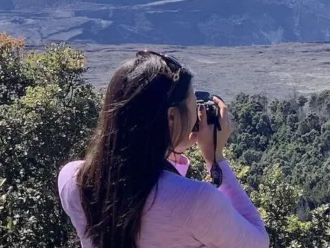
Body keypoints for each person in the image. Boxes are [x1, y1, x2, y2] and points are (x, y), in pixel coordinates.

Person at [57, 50, 269, 248]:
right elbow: (258, 241)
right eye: (193, 102)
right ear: (172, 116)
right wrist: (215, 160)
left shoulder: (72, 180)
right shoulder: (197, 201)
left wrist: (168, 148)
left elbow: (154, 203)